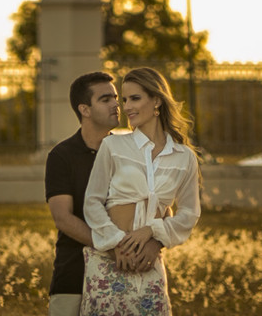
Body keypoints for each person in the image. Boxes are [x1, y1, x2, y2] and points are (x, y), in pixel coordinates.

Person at [81, 67, 201, 315]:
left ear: (156, 100)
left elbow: (189, 213)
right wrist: (116, 244)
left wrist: (155, 237)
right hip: (109, 259)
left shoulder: (183, 156)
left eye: (135, 98)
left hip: (148, 260)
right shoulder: (113, 145)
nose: (126, 107)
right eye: (124, 100)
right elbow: (92, 202)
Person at [45, 71, 119, 316]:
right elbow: (63, 218)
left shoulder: (128, 152)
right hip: (74, 273)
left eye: (116, 97)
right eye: (105, 99)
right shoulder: (61, 156)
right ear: (85, 110)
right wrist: (111, 249)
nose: (116, 104)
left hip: (126, 272)